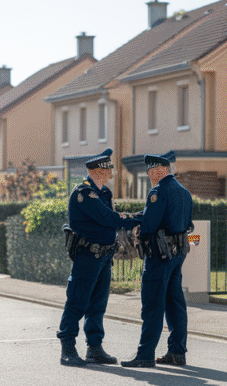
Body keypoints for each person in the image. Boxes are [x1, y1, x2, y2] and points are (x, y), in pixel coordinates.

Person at [57, 148, 140, 367]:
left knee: (98, 304)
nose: (112, 170)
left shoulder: (104, 193)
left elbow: (113, 217)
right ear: (97, 171)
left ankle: (94, 348)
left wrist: (135, 218)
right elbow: (109, 218)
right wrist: (140, 218)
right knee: (77, 301)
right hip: (88, 255)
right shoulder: (84, 193)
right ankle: (67, 347)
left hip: (104, 256)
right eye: (109, 167)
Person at [121, 152, 194, 368]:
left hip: (159, 255)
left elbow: (149, 226)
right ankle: (177, 352)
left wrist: (134, 228)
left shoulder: (158, 191)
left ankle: (145, 354)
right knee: (175, 303)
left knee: (153, 304)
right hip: (177, 252)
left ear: (158, 171)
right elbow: (187, 223)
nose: (150, 176)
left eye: (150, 172)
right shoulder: (183, 191)